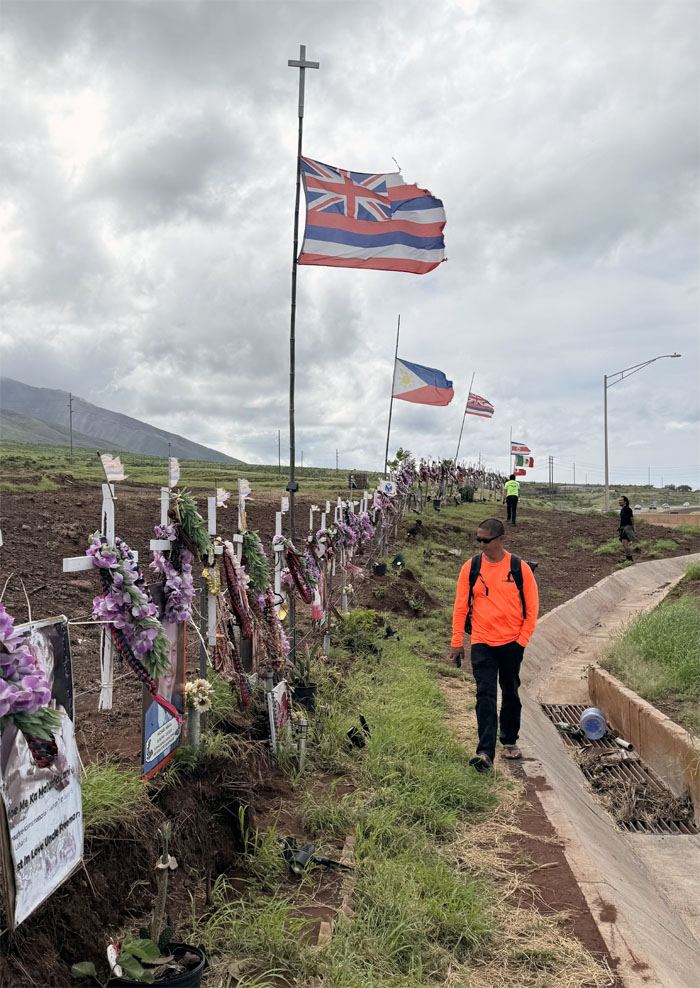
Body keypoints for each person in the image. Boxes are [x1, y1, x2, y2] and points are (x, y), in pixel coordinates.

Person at [450, 518, 539, 772]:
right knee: (485, 694)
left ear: (500, 539)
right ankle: (484, 752)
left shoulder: (519, 568)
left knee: (510, 691)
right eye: (477, 539)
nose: (481, 544)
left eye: (485, 540)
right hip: (481, 642)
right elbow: (460, 607)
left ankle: (509, 740)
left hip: (511, 643)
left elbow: (532, 610)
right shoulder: (471, 567)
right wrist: (457, 642)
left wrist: (521, 641)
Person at [618, 495, 639, 562]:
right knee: (624, 544)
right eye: (619, 500)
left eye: (621, 500)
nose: (619, 502)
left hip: (627, 528)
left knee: (625, 543)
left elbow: (631, 519)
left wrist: (633, 527)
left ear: (625, 502)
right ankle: (628, 558)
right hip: (623, 528)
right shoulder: (623, 509)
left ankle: (629, 558)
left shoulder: (628, 509)